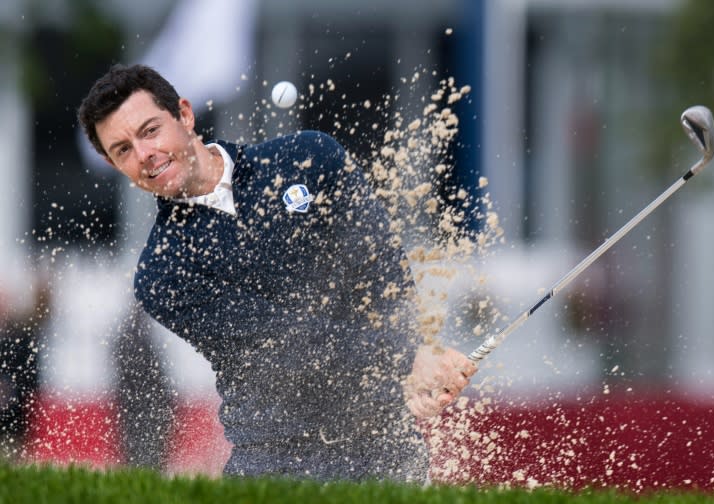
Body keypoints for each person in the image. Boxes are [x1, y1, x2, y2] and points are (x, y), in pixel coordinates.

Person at [77, 64, 476, 482]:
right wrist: (406, 358)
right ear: (112, 164)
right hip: (276, 465)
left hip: (387, 448)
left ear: (185, 115)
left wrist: (416, 357)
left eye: (150, 130)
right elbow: (284, 342)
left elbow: (380, 269)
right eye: (122, 150)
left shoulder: (308, 157)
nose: (144, 155)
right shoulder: (162, 272)